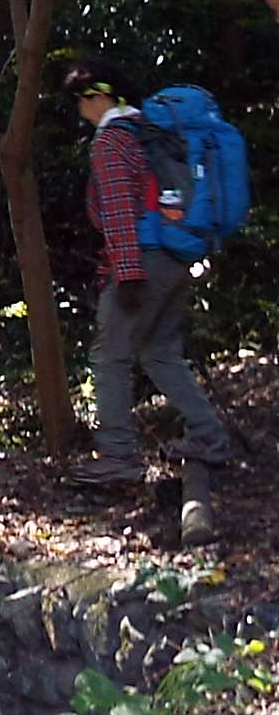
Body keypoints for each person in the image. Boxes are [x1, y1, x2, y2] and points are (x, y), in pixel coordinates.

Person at [60, 61, 233, 485]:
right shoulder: (148, 132)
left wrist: (129, 274)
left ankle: (118, 455)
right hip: (177, 254)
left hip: (144, 259)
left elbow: (120, 210)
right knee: (158, 350)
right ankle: (209, 438)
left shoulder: (112, 141)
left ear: (99, 96)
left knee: (110, 355)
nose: (79, 109)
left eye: (81, 99)